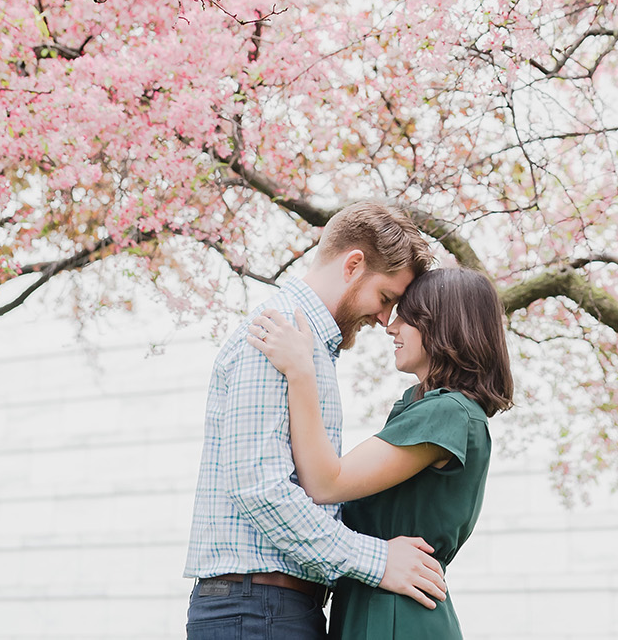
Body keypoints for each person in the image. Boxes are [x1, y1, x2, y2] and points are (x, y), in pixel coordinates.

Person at [184, 201, 447, 639]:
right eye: (385, 298)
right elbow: (260, 488)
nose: (385, 320)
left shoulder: (305, 349)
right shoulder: (276, 333)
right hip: (256, 609)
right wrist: (376, 560)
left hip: (271, 607)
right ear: (353, 265)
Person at [247, 265, 514, 639]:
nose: (391, 326)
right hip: (381, 606)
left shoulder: (448, 412)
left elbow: (325, 483)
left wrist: (300, 371)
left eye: (408, 316)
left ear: (443, 325)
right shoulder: (436, 410)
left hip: (393, 615)